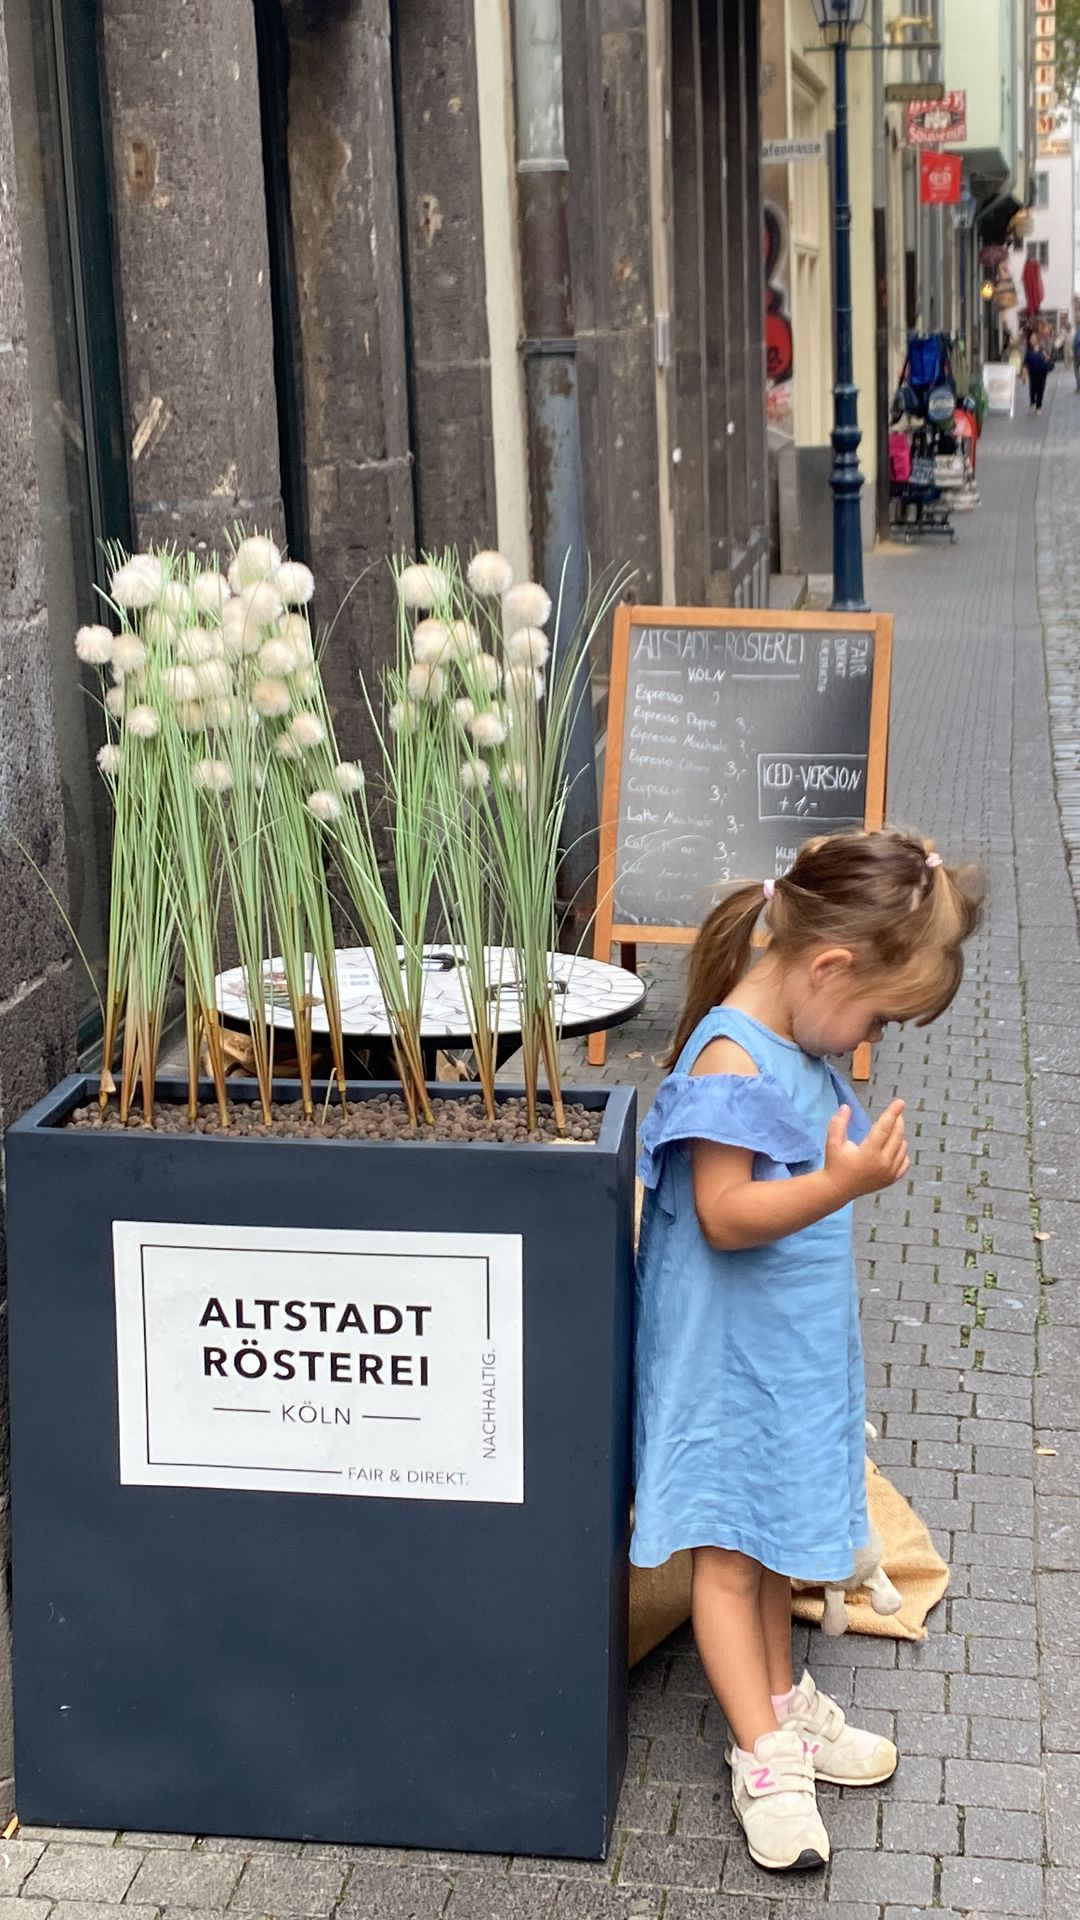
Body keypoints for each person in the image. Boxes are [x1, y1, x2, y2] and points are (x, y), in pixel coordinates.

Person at [631, 830, 980, 1875]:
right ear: (829, 967)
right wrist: (844, 1184)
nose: (874, 1039)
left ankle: (784, 1705)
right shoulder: (737, 1054)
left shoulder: (802, 1033)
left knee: (775, 1538)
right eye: (880, 1016)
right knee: (732, 1559)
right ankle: (764, 1756)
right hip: (726, 1362)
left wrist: (910, 877)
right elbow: (726, 1210)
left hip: (782, 1355)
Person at [1024, 331, 1052, 413]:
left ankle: (1038, 407)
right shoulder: (1029, 350)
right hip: (1032, 373)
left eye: (1033, 338)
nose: (1031, 340)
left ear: (1037, 339)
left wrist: (1046, 356)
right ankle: (1032, 402)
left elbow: (1048, 360)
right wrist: (1024, 374)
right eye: (1030, 338)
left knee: (1041, 389)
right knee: (1032, 389)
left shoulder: (1042, 348)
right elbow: (1025, 362)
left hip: (1042, 373)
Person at [1072, 317, 1080, 393]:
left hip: (1078, 353)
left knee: (1076, 369)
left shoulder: (1078, 330)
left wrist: (1074, 346)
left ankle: (1078, 387)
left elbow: (1077, 341)